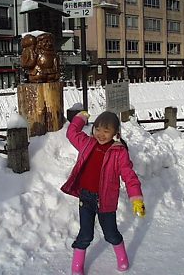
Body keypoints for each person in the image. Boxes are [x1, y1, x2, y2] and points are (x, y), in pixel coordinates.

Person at [61, 110, 146, 275]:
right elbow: (71, 133)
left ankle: (122, 258)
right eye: (97, 129)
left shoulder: (119, 153)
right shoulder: (87, 143)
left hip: (106, 201)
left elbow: (130, 177)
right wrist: (80, 118)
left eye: (106, 131)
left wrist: (136, 198)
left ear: (116, 133)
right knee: (85, 235)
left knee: (111, 234)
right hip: (85, 198)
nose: (100, 134)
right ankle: (76, 267)